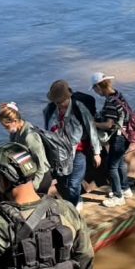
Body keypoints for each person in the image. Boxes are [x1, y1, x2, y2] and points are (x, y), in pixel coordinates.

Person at [43, 80, 101, 209]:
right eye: (56, 102)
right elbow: (47, 131)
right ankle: (77, 200)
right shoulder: (49, 110)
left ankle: (75, 206)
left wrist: (97, 153)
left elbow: (91, 129)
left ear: (68, 97)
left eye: (61, 101)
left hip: (79, 151)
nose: (59, 105)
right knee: (65, 182)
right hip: (60, 153)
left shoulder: (79, 108)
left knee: (74, 183)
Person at [91, 72, 135, 208]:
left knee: (111, 167)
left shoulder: (110, 102)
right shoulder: (117, 94)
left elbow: (108, 125)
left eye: (94, 89)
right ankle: (125, 189)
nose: (95, 92)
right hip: (127, 134)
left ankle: (118, 196)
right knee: (120, 163)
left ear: (98, 87)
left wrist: (93, 124)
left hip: (119, 138)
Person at [0, 102, 51, 193]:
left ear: (14, 121)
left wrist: (35, 185)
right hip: (29, 173)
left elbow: (41, 164)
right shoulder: (15, 133)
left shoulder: (30, 137)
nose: (6, 129)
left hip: (41, 177)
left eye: (7, 126)